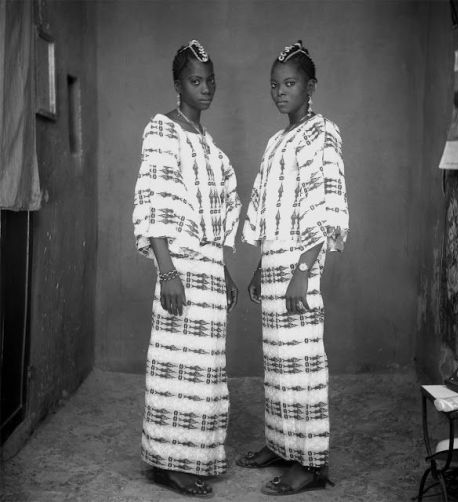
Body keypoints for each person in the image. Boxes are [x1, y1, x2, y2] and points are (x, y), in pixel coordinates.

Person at [239, 40, 349, 496]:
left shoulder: (324, 133)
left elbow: (326, 202)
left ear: (311, 87)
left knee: (303, 363)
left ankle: (312, 463)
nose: (280, 92)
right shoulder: (276, 140)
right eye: (275, 84)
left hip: (303, 261)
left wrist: (305, 268)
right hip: (276, 260)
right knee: (278, 363)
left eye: (290, 83)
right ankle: (283, 445)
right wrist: (262, 265)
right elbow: (267, 208)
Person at [133, 40, 241, 498]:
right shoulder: (161, 131)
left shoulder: (210, 147)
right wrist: (168, 272)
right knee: (176, 371)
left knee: (205, 375)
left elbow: (214, 218)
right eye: (196, 80)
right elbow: (153, 201)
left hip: (210, 274)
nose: (206, 88)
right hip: (179, 271)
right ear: (177, 85)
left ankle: (185, 457)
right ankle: (171, 463)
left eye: (210, 79)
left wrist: (225, 271)